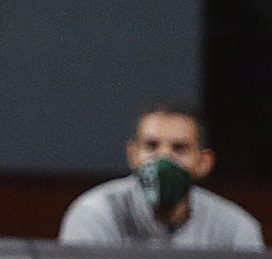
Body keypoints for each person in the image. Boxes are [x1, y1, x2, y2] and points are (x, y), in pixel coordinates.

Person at [59, 106, 263, 249]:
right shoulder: (95, 214)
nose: (164, 158)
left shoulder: (235, 227)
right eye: (151, 146)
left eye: (179, 148)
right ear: (132, 155)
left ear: (204, 162)